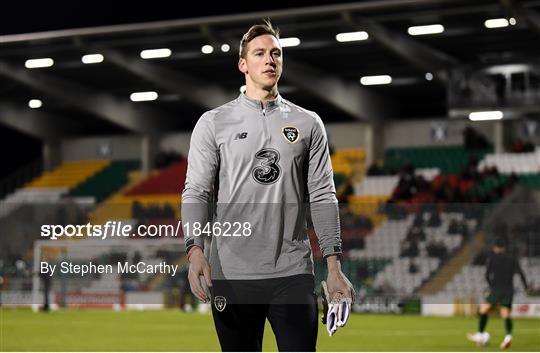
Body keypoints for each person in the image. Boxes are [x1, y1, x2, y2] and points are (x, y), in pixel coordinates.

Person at [181, 19, 354, 351]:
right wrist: (196, 251)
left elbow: (322, 194)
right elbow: (196, 191)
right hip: (231, 274)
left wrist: (333, 266)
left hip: (292, 271)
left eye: (276, 53)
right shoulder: (213, 122)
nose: (270, 60)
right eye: (259, 53)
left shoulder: (308, 122)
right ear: (243, 64)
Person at [467, 237, 528, 349]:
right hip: (509, 289)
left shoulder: (492, 259)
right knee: (506, 314)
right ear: (504, 248)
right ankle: (508, 336)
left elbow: (486, 275)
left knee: (483, 310)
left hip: (497, 288)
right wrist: (526, 287)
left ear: (495, 247)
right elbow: (521, 273)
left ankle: (481, 335)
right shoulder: (512, 259)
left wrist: (491, 286)